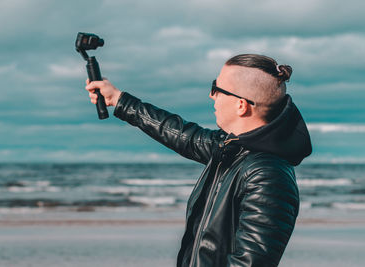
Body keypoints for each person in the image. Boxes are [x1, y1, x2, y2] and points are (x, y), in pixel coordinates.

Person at [85, 54, 312, 267]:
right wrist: (118, 99)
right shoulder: (231, 149)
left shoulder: (267, 174)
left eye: (217, 88)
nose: (211, 95)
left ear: (241, 105)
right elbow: (182, 134)